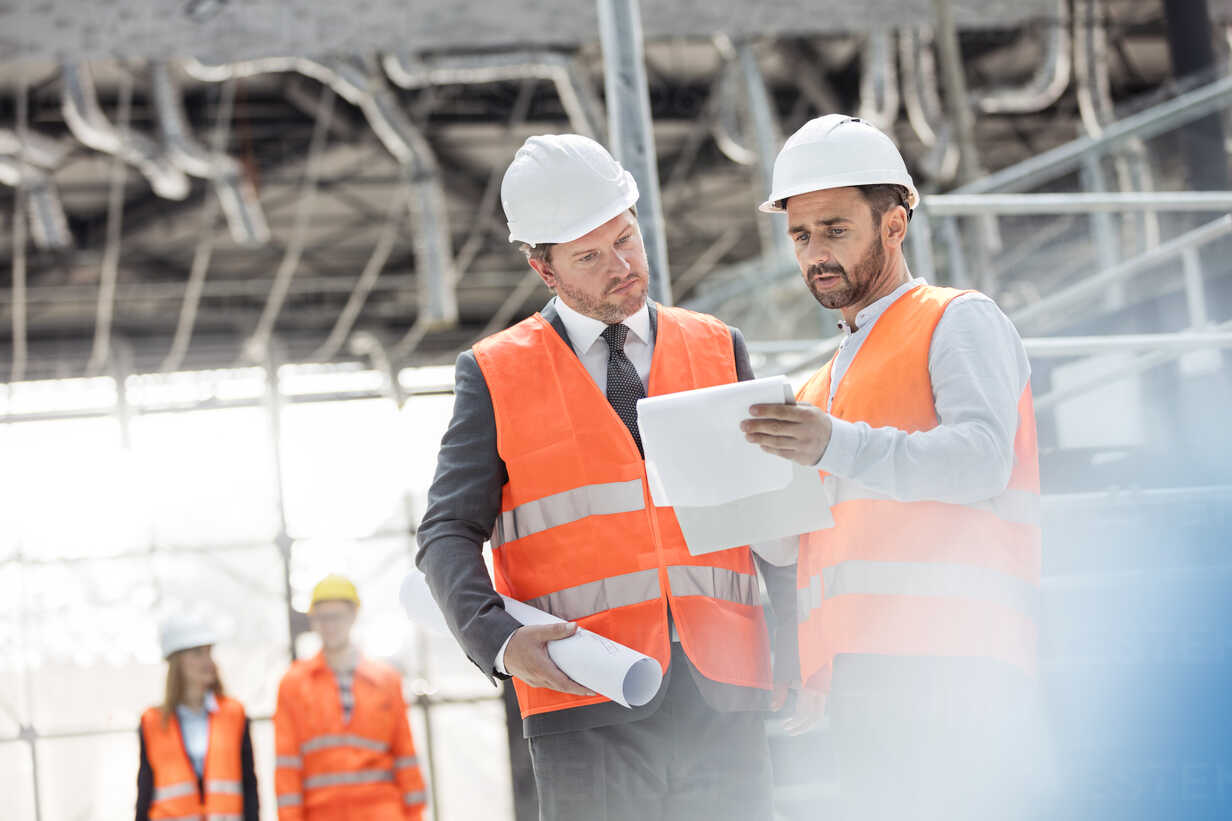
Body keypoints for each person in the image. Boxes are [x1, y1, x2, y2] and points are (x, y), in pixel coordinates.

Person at [416, 133, 797, 821]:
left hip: (725, 693)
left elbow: (774, 514)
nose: (621, 265)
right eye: (590, 257)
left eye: (626, 239)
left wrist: (800, 648)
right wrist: (499, 640)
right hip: (585, 700)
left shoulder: (718, 347)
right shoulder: (496, 374)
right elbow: (445, 531)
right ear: (545, 270)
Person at [741, 114, 1048, 820]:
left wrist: (833, 445)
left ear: (893, 225)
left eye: (835, 229)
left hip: (959, 667)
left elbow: (980, 461)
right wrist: (737, 498)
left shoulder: (957, 320)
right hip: (861, 683)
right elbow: (800, 545)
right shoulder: (818, 391)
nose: (815, 252)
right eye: (800, 235)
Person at [274, 574, 428, 821]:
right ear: (313, 620)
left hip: (383, 812)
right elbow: (287, 765)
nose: (330, 625)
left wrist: (414, 815)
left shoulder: (386, 680)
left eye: (337, 616)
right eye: (323, 617)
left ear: (354, 615)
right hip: (321, 813)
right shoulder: (293, 684)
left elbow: (405, 755)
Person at [136, 614, 258, 821]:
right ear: (177, 661)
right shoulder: (152, 722)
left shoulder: (234, 714)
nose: (208, 661)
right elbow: (145, 791)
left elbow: (249, 786)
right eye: (197, 653)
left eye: (209, 652)